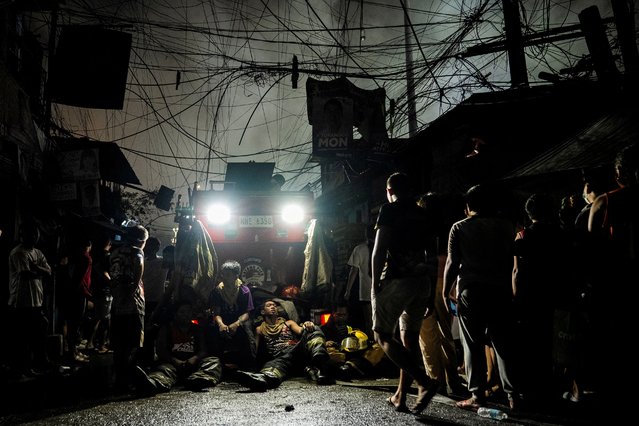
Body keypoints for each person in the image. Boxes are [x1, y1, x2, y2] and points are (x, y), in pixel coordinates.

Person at [442, 183, 522, 412]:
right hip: (501, 290)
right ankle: (513, 395)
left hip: (472, 291)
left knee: (472, 344)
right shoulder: (508, 227)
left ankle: (477, 395)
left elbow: (452, 263)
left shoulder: (460, 227)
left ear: (468, 206)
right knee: (503, 343)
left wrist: (445, 290)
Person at [370, 172, 440, 414]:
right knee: (409, 340)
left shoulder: (389, 210)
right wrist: (430, 292)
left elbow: (379, 250)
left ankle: (423, 381)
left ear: (390, 191)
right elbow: (432, 254)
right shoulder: (425, 214)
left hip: (396, 281)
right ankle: (400, 397)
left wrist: (374, 283)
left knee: (382, 336)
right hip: (422, 282)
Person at [587, 142, 639, 418]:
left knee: (612, 355)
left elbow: (590, 252)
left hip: (612, 290)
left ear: (619, 172)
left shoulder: (605, 202)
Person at [416, 192, 468, 398]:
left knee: (427, 335)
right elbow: (453, 259)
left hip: (424, 282)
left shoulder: (419, 228)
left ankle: (435, 381)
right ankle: (453, 381)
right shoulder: (450, 227)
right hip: (445, 283)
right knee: (446, 334)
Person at [234, 299, 334, 391]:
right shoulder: (259, 329)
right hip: (280, 358)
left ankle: (321, 363)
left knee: (313, 328)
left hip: (296, 352)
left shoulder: (288, 323)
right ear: (263, 312)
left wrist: (307, 324)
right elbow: (254, 349)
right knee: (271, 367)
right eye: (269, 305)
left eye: (274, 305)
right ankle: (261, 379)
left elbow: (301, 331)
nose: (273, 307)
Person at [133, 300, 222, 395]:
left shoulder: (197, 329)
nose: (186, 315)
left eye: (189, 312)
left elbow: (203, 350)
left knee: (213, 361)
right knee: (163, 371)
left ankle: (199, 380)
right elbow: (161, 350)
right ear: (175, 314)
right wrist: (175, 360)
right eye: (182, 312)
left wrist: (194, 358)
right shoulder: (167, 328)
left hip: (193, 365)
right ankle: (151, 383)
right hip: (172, 365)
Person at [7, 221, 53, 376]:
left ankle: (34, 364)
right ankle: (22, 368)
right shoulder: (18, 253)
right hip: (21, 301)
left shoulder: (37, 253)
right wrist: (39, 270)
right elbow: (25, 274)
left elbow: (48, 272)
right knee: (23, 337)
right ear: (23, 235)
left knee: (37, 330)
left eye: (36, 234)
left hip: (36, 300)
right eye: (31, 234)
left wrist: (36, 268)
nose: (34, 237)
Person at [109, 224, 148, 392]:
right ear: (141, 240)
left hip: (116, 302)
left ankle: (118, 378)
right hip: (133, 303)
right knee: (132, 343)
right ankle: (127, 379)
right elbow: (138, 267)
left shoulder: (115, 253)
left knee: (118, 344)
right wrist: (132, 291)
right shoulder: (137, 252)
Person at [207, 260, 257, 372]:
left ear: (236, 275)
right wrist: (221, 324)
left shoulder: (244, 290)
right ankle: (215, 368)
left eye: (227, 274)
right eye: (223, 274)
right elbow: (216, 312)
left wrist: (236, 324)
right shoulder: (217, 291)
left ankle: (249, 368)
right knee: (212, 331)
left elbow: (247, 313)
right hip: (223, 320)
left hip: (240, 320)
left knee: (247, 333)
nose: (224, 277)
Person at [320, 304, 390, 381]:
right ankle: (348, 369)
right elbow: (320, 342)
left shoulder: (353, 325)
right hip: (340, 354)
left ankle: (350, 368)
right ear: (333, 315)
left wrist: (362, 341)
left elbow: (365, 338)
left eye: (344, 314)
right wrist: (326, 343)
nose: (341, 317)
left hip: (357, 352)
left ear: (347, 315)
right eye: (339, 314)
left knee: (379, 347)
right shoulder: (325, 328)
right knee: (327, 352)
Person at [140, 236, 168, 365]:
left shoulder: (163, 262)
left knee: (152, 331)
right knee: (149, 331)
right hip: (149, 300)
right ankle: (149, 358)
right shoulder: (144, 262)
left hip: (154, 301)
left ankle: (151, 358)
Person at [343, 224, 374, 339]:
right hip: (383, 290)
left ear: (365, 234)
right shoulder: (384, 247)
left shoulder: (359, 249)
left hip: (366, 292)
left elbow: (353, 272)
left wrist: (348, 291)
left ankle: (373, 345)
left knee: (369, 321)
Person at [88, 232, 113, 353]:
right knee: (105, 319)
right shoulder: (106, 256)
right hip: (105, 291)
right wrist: (111, 283)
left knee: (96, 318)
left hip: (95, 290)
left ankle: (90, 342)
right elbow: (103, 272)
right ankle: (101, 344)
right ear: (108, 244)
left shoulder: (93, 255)